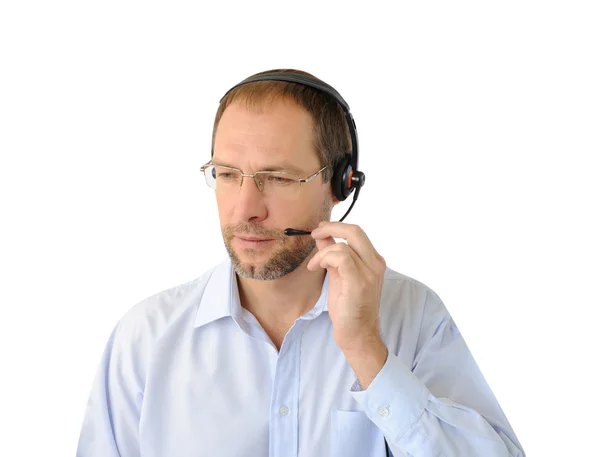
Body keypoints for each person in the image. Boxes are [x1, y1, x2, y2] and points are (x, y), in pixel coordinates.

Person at [76, 69, 526, 457]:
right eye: (229, 175)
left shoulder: (412, 317)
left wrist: (368, 352)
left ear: (339, 184)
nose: (244, 209)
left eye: (277, 177)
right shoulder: (146, 340)